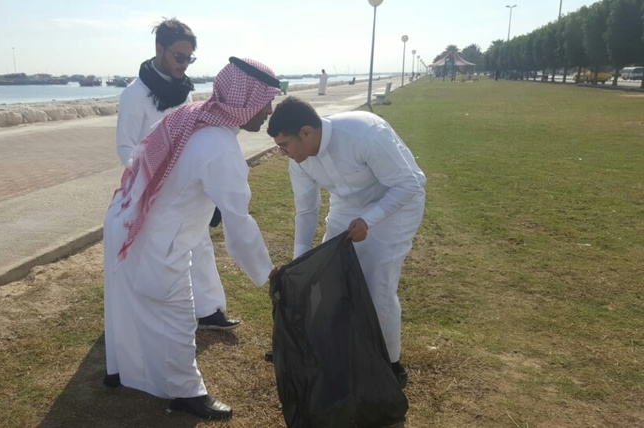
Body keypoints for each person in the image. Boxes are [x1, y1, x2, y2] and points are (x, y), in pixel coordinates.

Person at [103, 57, 282, 420]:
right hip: (156, 238)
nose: (268, 111)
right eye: (266, 101)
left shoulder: (192, 114)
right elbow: (238, 222)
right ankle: (186, 393)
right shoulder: (219, 146)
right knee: (178, 318)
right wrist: (267, 273)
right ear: (245, 99)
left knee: (129, 306)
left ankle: (120, 372)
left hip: (127, 219)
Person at [266, 96, 426, 389]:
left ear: (306, 132)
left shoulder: (364, 132)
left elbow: (408, 184)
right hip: (347, 205)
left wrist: (369, 220)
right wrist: (299, 262)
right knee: (327, 277)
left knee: (378, 286)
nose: (282, 153)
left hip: (396, 202)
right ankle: (324, 347)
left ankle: (390, 364)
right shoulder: (299, 161)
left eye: (284, 145)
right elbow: (306, 210)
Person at [115, 18, 238, 331]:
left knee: (201, 244)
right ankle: (151, 312)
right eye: (179, 57)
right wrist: (151, 178)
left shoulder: (184, 91)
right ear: (160, 49)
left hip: (187, 186)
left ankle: (208, 311)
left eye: (189, 58)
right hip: (152, 189)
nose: (184, 64)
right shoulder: (134, 95)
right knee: (155, 252)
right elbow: (125, 147)